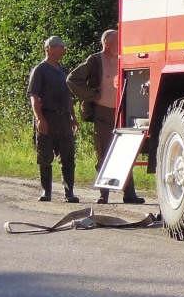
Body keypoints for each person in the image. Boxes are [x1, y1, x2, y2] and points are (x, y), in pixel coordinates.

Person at [67, 29, 144, 205]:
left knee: (126, 151)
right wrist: (92, 96)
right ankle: (104, 194)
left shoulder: (123, 58)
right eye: (117, 41)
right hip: (103, 113)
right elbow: (72, 79)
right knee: (104, 153)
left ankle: (129, 193)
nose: (121, 44)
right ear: (107, 43)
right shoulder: (95, 61)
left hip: (123, 112)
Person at [27, 36, 79, 203]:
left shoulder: (62, 70)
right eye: (60, 47)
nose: (63, 50)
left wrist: (73, 117)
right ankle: (46, 192)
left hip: (63, 119)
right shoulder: (40, 70)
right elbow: (34, 97)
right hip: (47, 117)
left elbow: (68, 97)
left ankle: (69, 192)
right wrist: (40, 119)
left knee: (68, 156)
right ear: (50, 49)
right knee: (45, 155)